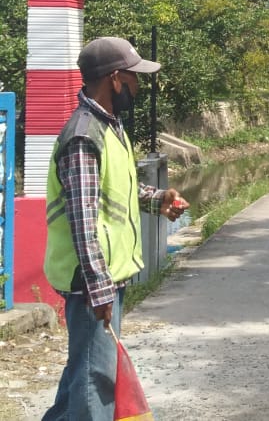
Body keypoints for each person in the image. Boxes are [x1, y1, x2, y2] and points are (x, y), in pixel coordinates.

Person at [43, 36, 189, 421]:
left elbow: (118, 189)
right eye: (135, 78)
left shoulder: (110, 127)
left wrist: (158, 200)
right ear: (115, 79)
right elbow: (82, 220)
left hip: (104, 277)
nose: (139, 87)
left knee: (83, 372)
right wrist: (99, 287)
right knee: (95, 381)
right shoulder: (83, 136)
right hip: (91, 279)